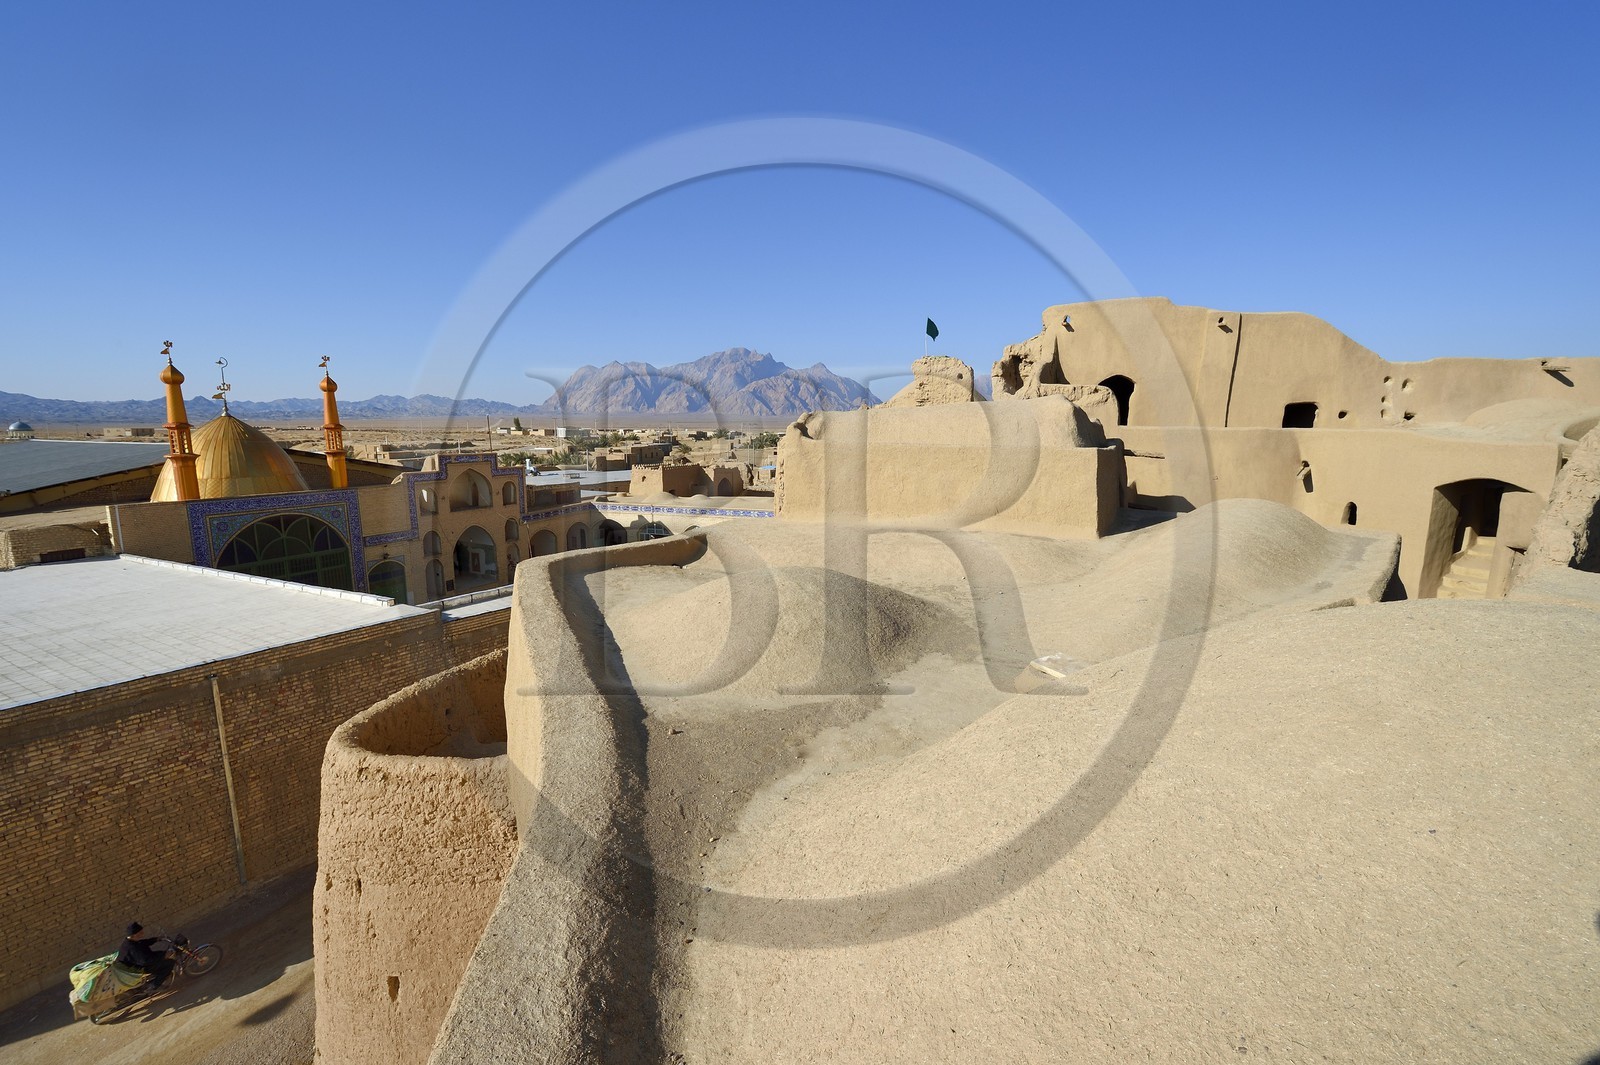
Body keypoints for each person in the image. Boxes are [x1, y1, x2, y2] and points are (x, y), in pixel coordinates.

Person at [115, 922, 173, 988]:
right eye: (140, 933)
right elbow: (145, 961)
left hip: (138, 963)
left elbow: (143, 943)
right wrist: (163, 956)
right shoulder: (132, 948)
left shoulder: (131, 941)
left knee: (161, 954)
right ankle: (153, 985)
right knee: (169, 963)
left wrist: (156, 939)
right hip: (138, 969)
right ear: (134, 935)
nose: (143, 934)